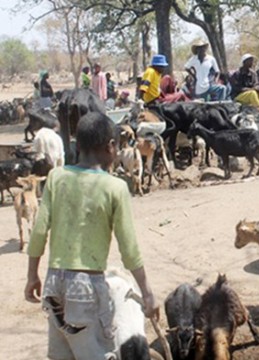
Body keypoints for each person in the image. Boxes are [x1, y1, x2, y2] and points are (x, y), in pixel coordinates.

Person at [24, 112, 159, 358]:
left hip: (54, 285)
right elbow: (129, 250)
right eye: (117, 146)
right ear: (110, 146)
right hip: (87, 288)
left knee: (61, 355)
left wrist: (32, 275)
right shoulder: (115, 187)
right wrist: (147, 293)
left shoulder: (56, 178)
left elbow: (39, 232)